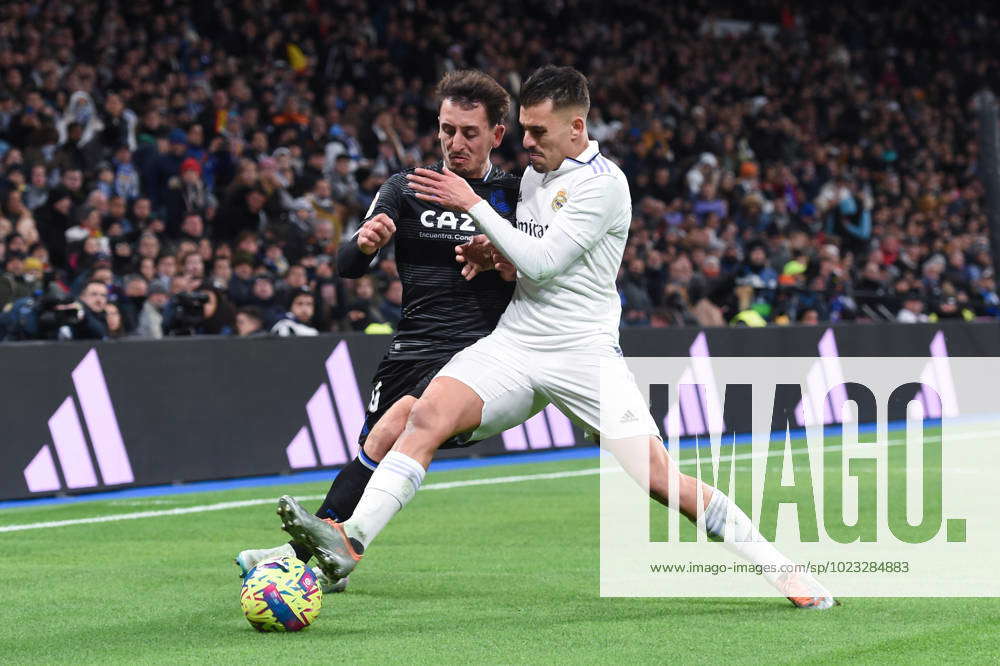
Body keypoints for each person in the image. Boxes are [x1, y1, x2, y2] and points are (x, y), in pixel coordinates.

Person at [275, 66, 837, 610]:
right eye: (523, 128)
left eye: (538, 131)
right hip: (514, 343)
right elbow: (522, 254)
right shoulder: (533, 176)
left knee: (659, 480)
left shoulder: (604, 185)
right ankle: (349, 543)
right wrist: (490, 252)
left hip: (584, 354)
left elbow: (543, 261)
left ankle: (781, 566)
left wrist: (473, 208)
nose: (527, 141)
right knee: (423, 415)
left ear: (577, 127)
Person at [234, 69, 521, 591]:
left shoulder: (513, 195)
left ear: (496, 136)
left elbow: (545, 263)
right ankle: (318, 553)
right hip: (411, 348)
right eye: (446, 129)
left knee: (400, 422)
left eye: (469, 132)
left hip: (479, 353)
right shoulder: (406, 188)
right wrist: (365, 243)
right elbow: (346, 264)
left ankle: (307, 557)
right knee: (377, 444)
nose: (455, 143)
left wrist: (501, 257)